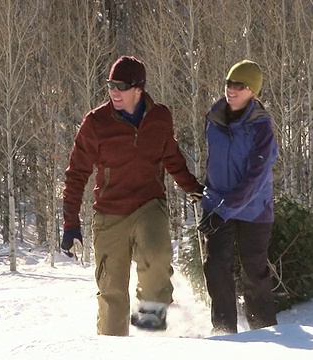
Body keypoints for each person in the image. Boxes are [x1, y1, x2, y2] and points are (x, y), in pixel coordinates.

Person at [61, 55, 203, 336]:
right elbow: (76, 173)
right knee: (111, 291)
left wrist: (193, 188)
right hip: (109, 213)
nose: (113, 91)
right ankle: (113, 348)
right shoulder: (96, 123)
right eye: (110, 85)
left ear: (139, 89)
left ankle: (151, 336)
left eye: (121, 86)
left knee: (156, 260)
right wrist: (70, 223)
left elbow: (171, 156)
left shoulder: (160, 117)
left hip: (149, 204)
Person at [197, 59, 279, 334]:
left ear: (253, 91)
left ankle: (263, 330)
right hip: (218, 204)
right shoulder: (214, 118)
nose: (232, 90)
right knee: (216, 266)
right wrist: (207, 198)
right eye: (229, 84)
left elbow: (255, 177)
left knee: (254, 271)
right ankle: (224, 332)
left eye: (240, 86)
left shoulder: (261, 127)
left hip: (254, 208)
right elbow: (214, 162)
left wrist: (224, 209)